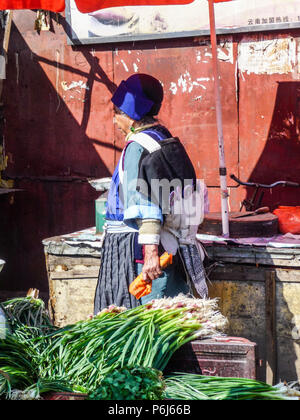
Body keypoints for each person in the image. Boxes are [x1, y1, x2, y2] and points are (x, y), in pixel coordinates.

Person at [94, 73, 208, 314]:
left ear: (130, 115)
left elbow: (146, 205)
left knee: (147, 317)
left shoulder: (137, 147)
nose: (114, 120)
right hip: (172, 243)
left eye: (117, 113)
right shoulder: (164, 137)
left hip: (141, 245)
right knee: (171, 311)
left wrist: (150, 255)